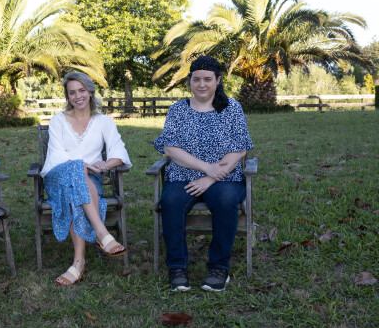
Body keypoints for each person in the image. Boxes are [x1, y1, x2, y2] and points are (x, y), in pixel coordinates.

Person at [153, 56, 253, 292]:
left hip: (225, 177)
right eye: (196, 79)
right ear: (189, 81)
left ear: (217, 80)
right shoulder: (178, 110)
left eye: (207, 79)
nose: (201, 84)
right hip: (182, 175)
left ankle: (219, 268)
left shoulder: (232, 108)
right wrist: (206, 168)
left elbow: (239, 149)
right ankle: (177, 268)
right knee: (171, 201)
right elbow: (170, 149)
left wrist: (211, 178)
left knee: (225, 199)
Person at [41, 72, 132, 286]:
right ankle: (102, 233)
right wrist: (83, 166)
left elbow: (119, 153)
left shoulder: (104, 122)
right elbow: (55, 155)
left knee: (75, 192)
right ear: (68, 96)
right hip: (58, 178)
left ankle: (78, 263)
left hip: (89, 182)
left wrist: (105, 165)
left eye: (82, 90)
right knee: (76, 169)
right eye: (72, 92)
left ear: (90, 91)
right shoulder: (58, 120)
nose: (77, 96)